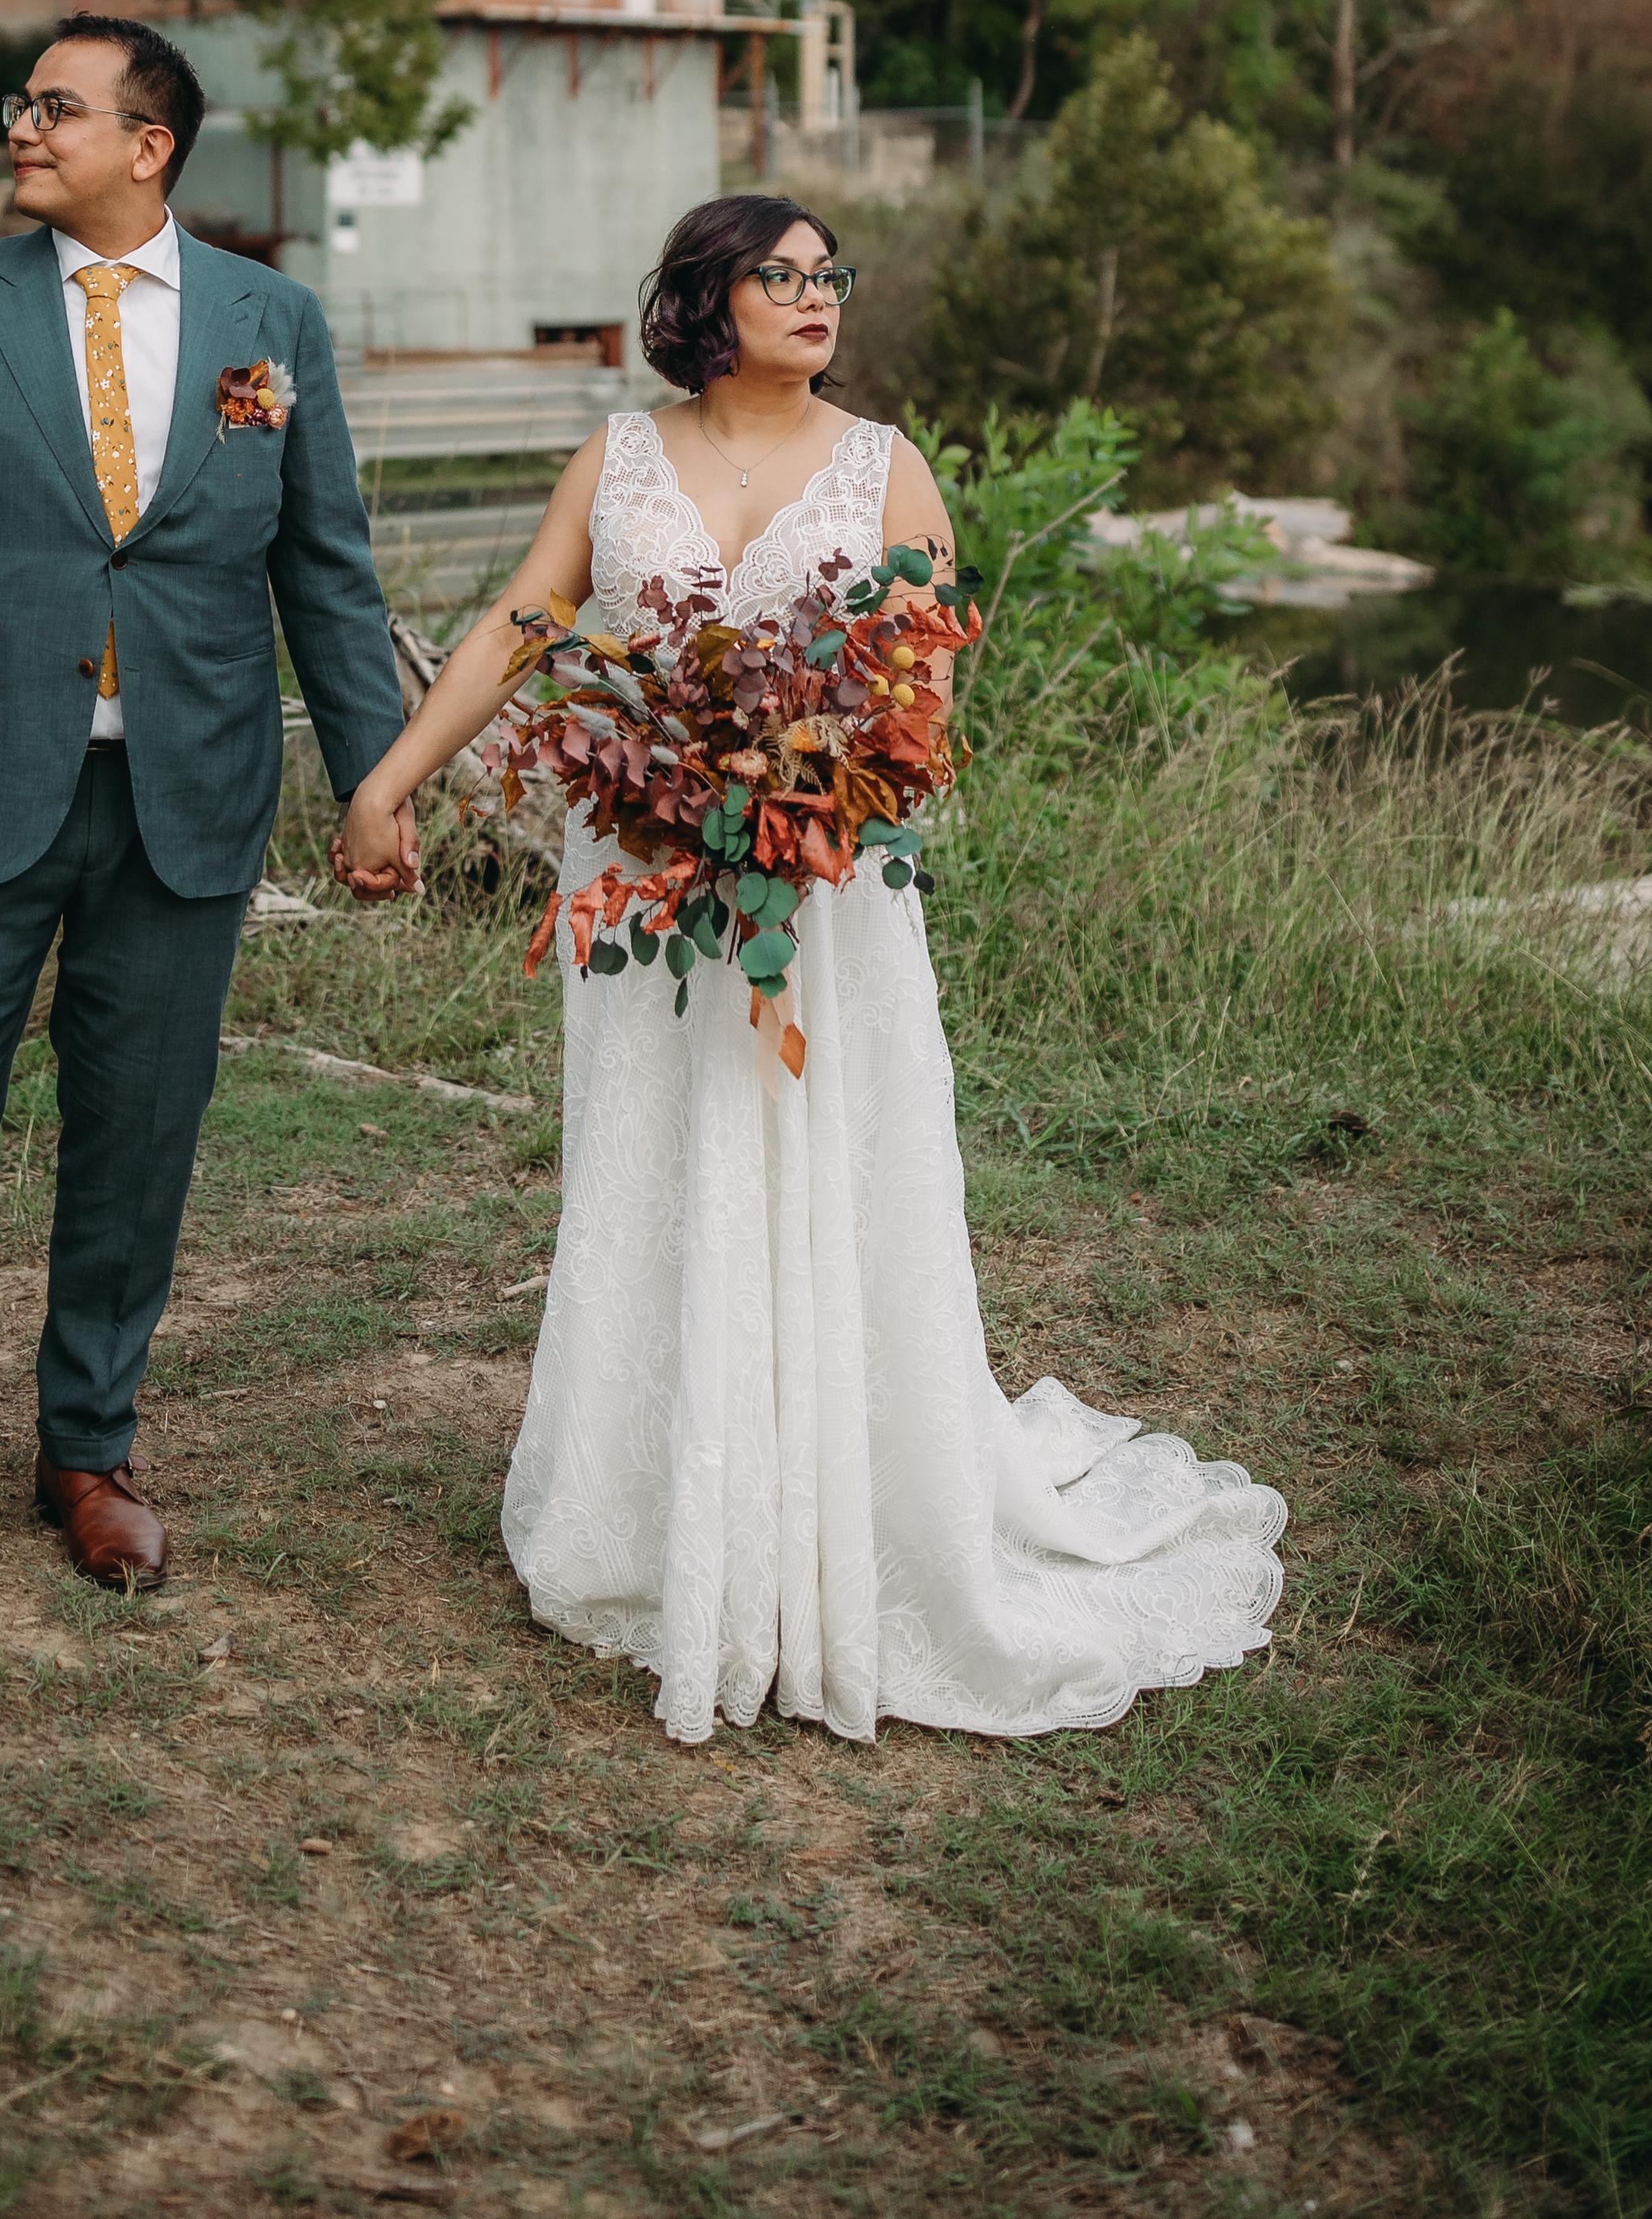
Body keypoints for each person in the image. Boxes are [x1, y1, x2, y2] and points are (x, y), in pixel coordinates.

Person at [330, 190, 1286, 1748]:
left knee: (827, 1164)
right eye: (778, 274)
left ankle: (840, 1510)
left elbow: (929, 694)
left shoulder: (885, 465)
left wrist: (803, 784)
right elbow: (520, 628)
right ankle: (652, 1511)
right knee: (653, 1164)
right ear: (705, 298)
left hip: (821, 888)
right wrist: (391, 781)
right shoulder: (615, 459)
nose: (815, 292)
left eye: (828, 272)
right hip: (642, 885)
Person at [0, 13, 405, 1604]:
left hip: (190, 790)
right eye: (23, 104)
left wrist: (375, 776)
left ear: (149, 145)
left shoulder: (271, 321)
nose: (22, 130)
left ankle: (89, 1451)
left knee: (141, 1126)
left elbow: (323, 568)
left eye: (57, 107)